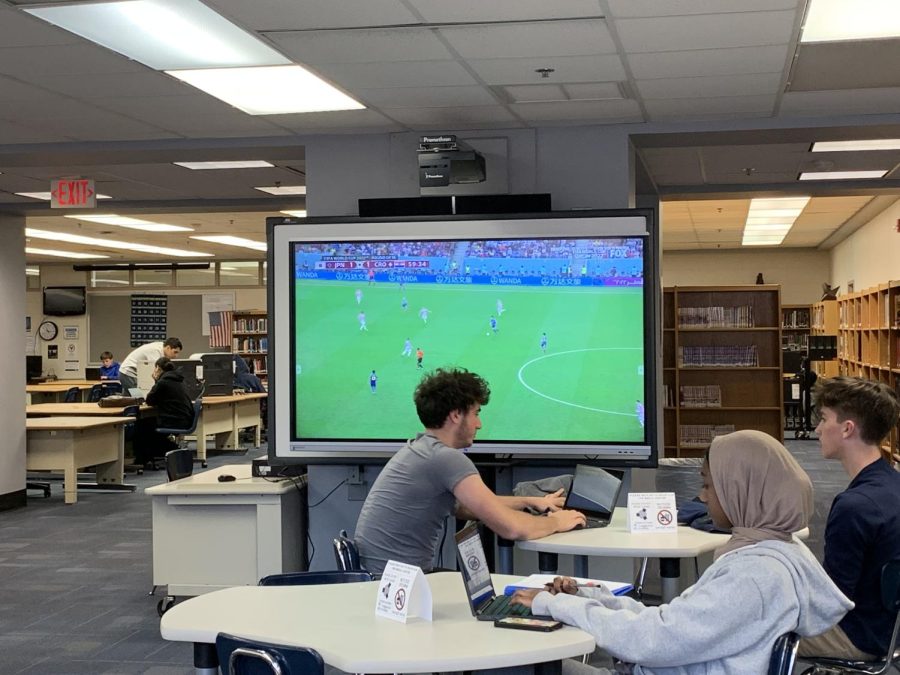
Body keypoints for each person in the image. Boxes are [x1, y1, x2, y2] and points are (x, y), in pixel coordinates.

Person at [511, 429, 852, 675]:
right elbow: (675, 621)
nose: (703, 497)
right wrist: (592, 596)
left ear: (740, 488)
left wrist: (556, 605)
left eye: (708, 484)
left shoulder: (754, 576)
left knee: (522, 665)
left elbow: (653, 641)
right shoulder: (774, 554)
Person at [355, 368, 586, 575]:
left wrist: (531, 501)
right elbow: (512, 527)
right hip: (398, 584)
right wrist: (556, 521)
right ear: (456, 415)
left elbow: (468, 506)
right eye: (476, 413)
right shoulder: (446, 459)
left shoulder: (420, 449)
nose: (479, 424)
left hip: (380, 578)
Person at [799, 376, 900, 661]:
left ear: (847, 429)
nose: (818, 429)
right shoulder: (893, 484)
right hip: (890, 626)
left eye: (823, 419)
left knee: (754, 628)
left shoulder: (854, 507)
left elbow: (831, 600)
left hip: (861, 635)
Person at [133, 356, 194, 467]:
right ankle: (164, 449)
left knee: (141, 424)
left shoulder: (163, 382)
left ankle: (143, 458)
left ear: (158, 368)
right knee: (149, 424)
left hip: (173, 420)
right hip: (184, 419)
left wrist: (156, 380)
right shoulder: (180, 380)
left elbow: (150, 400)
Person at [118, 337, 182, 391]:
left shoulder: (161, 347)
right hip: (128, 373)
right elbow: (156, 372)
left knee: (129, 399)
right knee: (139, 398)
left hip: (128, 373)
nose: (176, 356)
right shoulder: (155, 351)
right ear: (168, 348)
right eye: (175, 352)